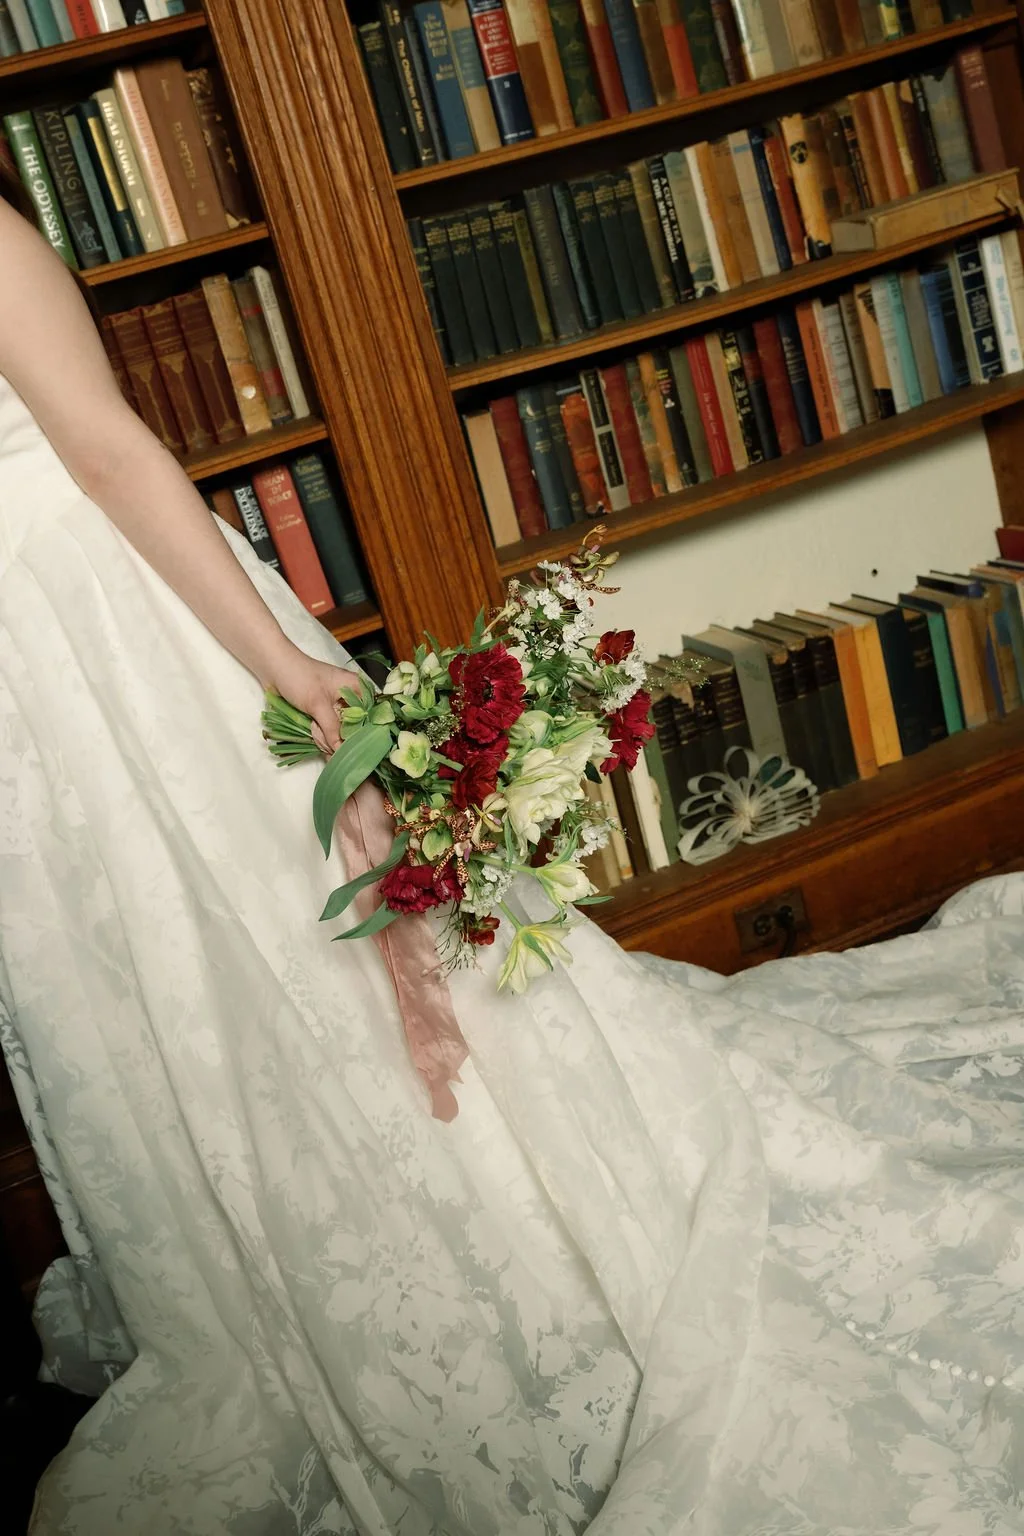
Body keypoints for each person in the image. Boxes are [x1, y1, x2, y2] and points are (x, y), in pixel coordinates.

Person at [2, 175, 1024, 1536]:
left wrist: (298, 683)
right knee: (162, 1020)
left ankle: (502, 1249)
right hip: (30, 723)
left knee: (316, 964)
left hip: (124, 651)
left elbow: (113, 456)